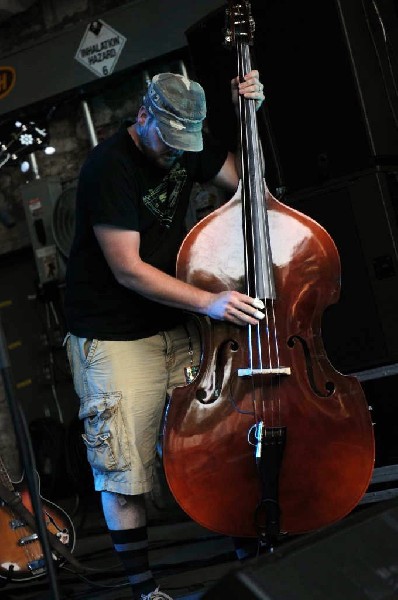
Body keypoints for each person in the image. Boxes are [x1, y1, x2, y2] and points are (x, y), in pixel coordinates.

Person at [64, 69, 265, 600]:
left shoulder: (187, 145)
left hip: (174, 322)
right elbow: (127, 268)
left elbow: (255, 190)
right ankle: (145, 590)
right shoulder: (108, 167)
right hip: (114, 335)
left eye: (187, 144)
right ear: (143, 116)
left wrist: (250, 116)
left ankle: (251, 557)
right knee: (125, 465)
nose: (178, 154)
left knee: (218, 440)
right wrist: (212, 301)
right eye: (169, 141)